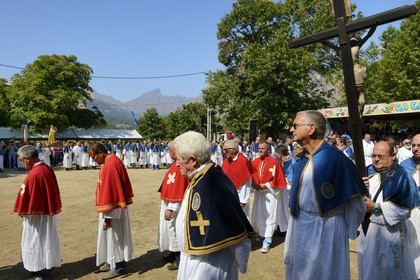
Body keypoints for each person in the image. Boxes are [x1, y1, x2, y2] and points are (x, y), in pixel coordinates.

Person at [284, 110, 368, 280]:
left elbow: (356, 203)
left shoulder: (336, 160)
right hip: (299, 227)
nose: (291, 130)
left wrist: (346, 229)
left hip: (326, 231)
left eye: (295, 125)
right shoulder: (302, 159)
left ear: (311, 129)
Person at [173, 131, 254, 280]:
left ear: (192, 160)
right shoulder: (201, 178)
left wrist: (241, 263)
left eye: (178, 159)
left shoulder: (213, 184)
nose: (176, 163)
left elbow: (236, 231)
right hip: (192, 260)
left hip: (210, 265)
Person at [358, 141, 419, 280]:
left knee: (389, 271)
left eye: (381, 156)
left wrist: (375, 207)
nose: (376, 159)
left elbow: (405, 210)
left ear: (393, 156)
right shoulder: (366, 172)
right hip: (367, 230)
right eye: (374, 156)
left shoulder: (402, 176)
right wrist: (358, 187)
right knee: (368, 269)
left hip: (389, 232)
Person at [13, 145, 62, 279]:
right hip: (43, 214)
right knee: (44, 241)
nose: (22, 163)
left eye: (22, 160)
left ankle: (42, 273)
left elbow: (29, 197)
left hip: (37, 217)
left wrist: (23, 210)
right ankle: (42, 269)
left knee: (38, 242)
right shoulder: (45, 168)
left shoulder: (36, 173)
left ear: (28, 158)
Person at [88, 143, 135, 279]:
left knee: (116, 237)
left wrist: (108, 217)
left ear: (101, 153)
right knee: (110, 238)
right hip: (111, 210)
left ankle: (118, 266)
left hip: (113, 211)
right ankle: (111, 261)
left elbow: (112, 193)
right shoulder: (111, 161)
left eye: (94, 156)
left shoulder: (110, 165)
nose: (93, 160)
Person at [157, 141, 189, 271]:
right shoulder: (174, 164)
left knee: (176, 229)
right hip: (168, 202)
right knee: (169, 229)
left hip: (175, 204)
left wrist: (171, 208)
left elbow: (178, 189)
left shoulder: (180, 166)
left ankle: (179, 256)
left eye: (170, 150)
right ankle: (173, 252)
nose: (168, 152)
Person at [251, 141, 286, 253]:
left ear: (268, 150)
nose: (260, 150)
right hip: (259, 193)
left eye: (263, 148)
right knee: (259, 215)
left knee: (269, 215)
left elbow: (278, 179)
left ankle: (267, 240)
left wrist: (265, 185)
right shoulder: (255, 162)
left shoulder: (274, 162)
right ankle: (261, 235)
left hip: (269, 194)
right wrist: (254, 185)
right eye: (259, 148)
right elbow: (251, 176)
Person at [399, 133, 420, 279]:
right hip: (413, 213)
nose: (415, 148)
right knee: (414, 248)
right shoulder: (404, 166)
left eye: (419, 146)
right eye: (413, 145)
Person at [221, 140, 253, 219]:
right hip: (227, 195)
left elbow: (246, 181)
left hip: (239, 196)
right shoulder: (226, 161)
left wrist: (243, 200)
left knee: (240, 218)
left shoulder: (243, 161)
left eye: (226, 150)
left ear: (234, 150)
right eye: (223, 150)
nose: (224, 152)